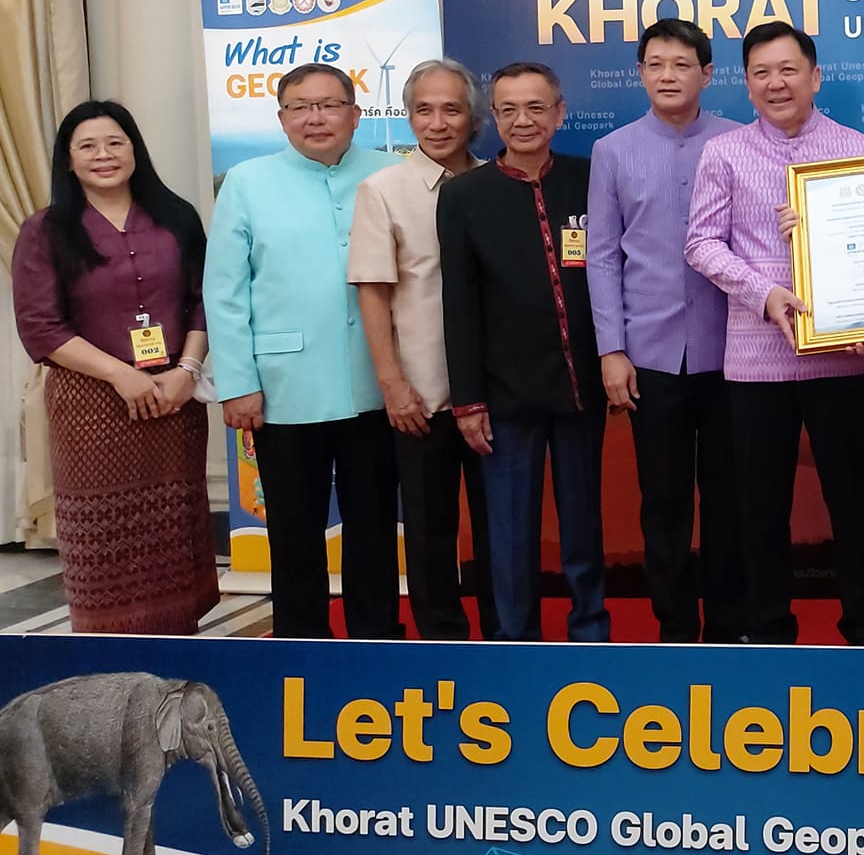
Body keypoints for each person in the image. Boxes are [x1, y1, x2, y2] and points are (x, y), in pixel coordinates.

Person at [685, 22, 864, 646]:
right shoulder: (724, 153)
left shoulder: (857, 146)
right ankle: (768, 627)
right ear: (747, 85)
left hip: (839, 355)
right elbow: (701, 243)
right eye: (761, 73)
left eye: (788, 70)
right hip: (755, 359)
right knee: (759, 505)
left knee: (852, 497)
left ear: (815, 76)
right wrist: (762, 293)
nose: (776, 84)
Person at [204, 63, 402, 639]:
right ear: (282, 118)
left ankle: (377, 641)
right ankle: (300, 645)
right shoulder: (246, 182)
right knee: (294, 531)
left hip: (378, 385)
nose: (316, 118)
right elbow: (224, 291)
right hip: (282, 390)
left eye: (330, 104)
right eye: (300, 107)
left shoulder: (393, 173)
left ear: (356, 114)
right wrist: (238, 383)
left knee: (374, 526)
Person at [11, 101, 218, 633]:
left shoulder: (176, 217)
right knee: (102, 535)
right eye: (87, 146)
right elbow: (41, 327)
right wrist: (121, 375)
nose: (103, 155)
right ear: (68, 159)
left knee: (172, 528)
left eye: (115, 143)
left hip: (174, 397)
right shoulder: (46, 230)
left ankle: (181, 645)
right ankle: (109, 652)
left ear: (134, 150)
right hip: (90, 406)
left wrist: (187, 371)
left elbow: (205, 301)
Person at [439, 61, 610, 643]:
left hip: (581, 386)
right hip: (504, 394)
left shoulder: (590, 178)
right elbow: (459, 305)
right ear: (493, 117)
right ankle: (516, 642)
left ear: (560, 113)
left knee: (583, 522)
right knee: (510, 532)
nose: (523, 120)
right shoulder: (464, 195)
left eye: (536, 107)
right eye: (508, 109)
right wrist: (468, 400)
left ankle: (590, 630)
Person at [589, 19, 743, 643]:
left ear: (707, 73)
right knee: (663, 500)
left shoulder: (738, 141)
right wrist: (611, 349)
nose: (667, 76)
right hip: (650, 355)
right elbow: (602, 256)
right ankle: (674, 628)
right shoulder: (613, 151)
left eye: (681, 65)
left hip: (734, 350)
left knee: (731, 496)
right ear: (641, 73)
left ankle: (730, 626)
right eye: (655, 65)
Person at [348, 59, 497, 640]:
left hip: (494, 390)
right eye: (423, 110)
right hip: (422, 393)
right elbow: (373, 292)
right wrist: (393, 384)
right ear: (408, 117)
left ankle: (505, 637)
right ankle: (441, 642)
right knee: (431, 530)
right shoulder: (382, 190)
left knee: (500, 528)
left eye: (451, 110)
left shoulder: (498, 181)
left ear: (473, 117)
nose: (437, 123)